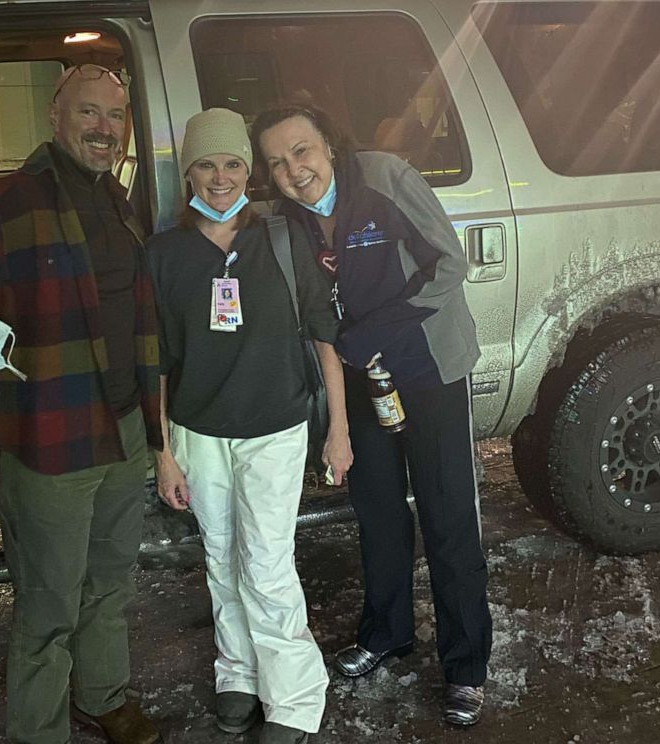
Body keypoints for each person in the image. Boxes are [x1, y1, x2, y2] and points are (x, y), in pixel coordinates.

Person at [0, 64, 163, 744]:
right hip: (52, 441)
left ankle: (103, 695)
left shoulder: (115, 199)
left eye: (114, 117)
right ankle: (39, 730)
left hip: (126, 428)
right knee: (48, 602)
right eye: (89, 113)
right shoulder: (11, 199)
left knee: (110, 583)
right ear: (56, 116)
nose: (104, 128)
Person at [252, 104, 493, 727]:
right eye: (277, 161)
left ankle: (466, 664)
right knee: (379, 509)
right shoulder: (291, 223)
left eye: (301, 151)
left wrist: (375, 330)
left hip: (427, 367)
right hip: (360, 383)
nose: (293, 170)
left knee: (447, 514)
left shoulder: (383, 179)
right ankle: (387, 631)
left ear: (328, 143)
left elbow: (449, 264)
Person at [146, 108, 352, 744]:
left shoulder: (282, 240)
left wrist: (338, 428)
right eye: (206, 164)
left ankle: (293, 697)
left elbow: (324, 336)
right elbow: (153, 360)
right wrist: (163, 454)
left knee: (265, 563)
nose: (220, 177)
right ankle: (237, 671)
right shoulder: (163, 254)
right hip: (198, 431)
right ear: (188, 173)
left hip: (275, 426)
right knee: (220, 554)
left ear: (249, 171)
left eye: (233, 163)